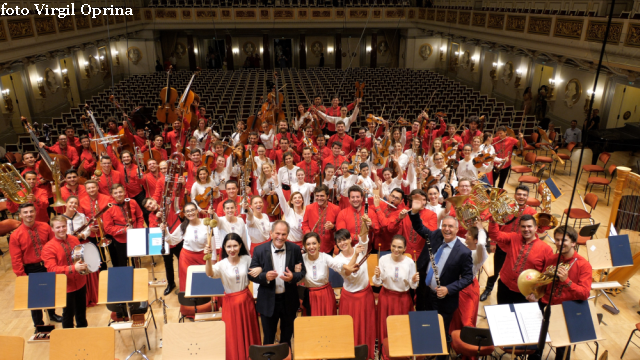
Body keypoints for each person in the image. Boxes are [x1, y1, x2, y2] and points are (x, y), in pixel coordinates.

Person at [408, 202, 474, 346]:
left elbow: (469, 277)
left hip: (443, 299)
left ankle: (437, 353)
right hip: (424, 293)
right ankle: (423, 350)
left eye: (450, 226)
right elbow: (419, 227)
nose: (447, 229)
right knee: (422, 324)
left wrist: (448, 289)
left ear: (457, 229)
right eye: (444, 225)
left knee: (439, 333)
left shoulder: (464, 252)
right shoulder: (436, 235)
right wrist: (414, 212)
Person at [530, 226, 592, 360]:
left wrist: (567, 281)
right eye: (557, 240)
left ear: (574, 243)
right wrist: (535, 293)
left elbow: (584, 294)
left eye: (564, 240)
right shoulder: (553, 259)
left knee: (562, 350)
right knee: (536, 343)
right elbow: (544, 283)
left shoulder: (584, 265)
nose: (559, 243)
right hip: (545, 304)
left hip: (564, 311)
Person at [203, 233, 261, 360]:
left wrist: (260, 269)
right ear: (224, 247)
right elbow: (209, 273)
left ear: (240, 245)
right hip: (230, 303)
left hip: (247, 301)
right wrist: (207, 258)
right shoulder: (222, 264)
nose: (232, 249)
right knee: (233, 334)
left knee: (249, 331)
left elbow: (258, 269)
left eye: (235, 245)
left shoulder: (247, 259)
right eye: (229, 246)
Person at [249, 221, 306, 346]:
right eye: (277, 233)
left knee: (287, 339)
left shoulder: (295, 249)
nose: (280, 237)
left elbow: (302, 272)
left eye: (283, 234)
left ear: (288, 235)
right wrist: (265, 276)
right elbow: (251, 274)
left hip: (289, 300)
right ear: (271, 233)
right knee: (268, 339)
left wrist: (292, 277)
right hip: (268, 301)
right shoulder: (259, 250)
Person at [481, 185, 537, 301]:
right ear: (515, 195)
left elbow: (537, 230)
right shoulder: (506, 208)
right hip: (502, 246)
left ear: (527, 197)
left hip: (519, 249)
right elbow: (496, 224)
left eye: (524, 195)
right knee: (495, 270)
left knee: (515, 272)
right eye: (519, 194)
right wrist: (492, 243)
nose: (521, 197)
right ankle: (488, 288)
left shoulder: (532, 212)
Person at [9, 203, 62, 326]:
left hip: (48, 265)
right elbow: (16, 259)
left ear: (35, 212)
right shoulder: (15, 235)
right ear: (20, 215)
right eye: (25, 212)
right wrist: (22, 276)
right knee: (35, 299)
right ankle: (38, 324)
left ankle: (52, 314)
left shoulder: (45, 227)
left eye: (31, 211)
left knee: (50, 292)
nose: (29, 214)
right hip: (31, 269)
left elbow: (54, 245)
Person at [330, 227, 376, 359]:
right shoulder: (337, 260)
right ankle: (350, 354)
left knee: (367, 326)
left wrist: (364, 220)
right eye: (339, 241)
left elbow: (364, 234)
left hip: (365, 294)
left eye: (345, 239)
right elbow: (347, 273)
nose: (342, 243)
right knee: (350, 328)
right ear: (336, 244)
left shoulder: (360, 247)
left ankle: (367, 354)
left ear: (350, 239)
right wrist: (355, 255)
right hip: (349, 297)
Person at [487, 214, 553, 304]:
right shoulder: (513, 237)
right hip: (504, 286)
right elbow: (495, 235)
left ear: (536, 228)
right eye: (523, 226)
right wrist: (493, 220)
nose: (526, 229)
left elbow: (547, 275)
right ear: (519, 228)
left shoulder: (546, 249)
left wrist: (538, 294)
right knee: (503, 314)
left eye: (529, 226)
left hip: (526, 292)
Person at [41, 215, 88, 329]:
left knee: (82, 313)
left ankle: (84, 336)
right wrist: (72, 268)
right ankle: (68, 340)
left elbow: (80, 257)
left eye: (63, 226)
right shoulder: (48, 247)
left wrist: (90, 264)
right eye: (58, 227)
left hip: (80, 283)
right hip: (66, 286)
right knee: (68, 315)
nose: (61, 229)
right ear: (52, 229)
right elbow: (52, 269)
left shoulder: (74, 239)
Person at [373, 235, 419, 343]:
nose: (396, 250)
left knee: (401, 327)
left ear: (404, 248)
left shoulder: (410, 262)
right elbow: (377, 283)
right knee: (386, 327)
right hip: (386, 297)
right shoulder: (383, 259)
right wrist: (377, 275)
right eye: (393, 246)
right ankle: (385, 352)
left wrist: (413, 280)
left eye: (399, 247)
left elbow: (413, 286)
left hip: (403, 299)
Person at [449, 221, 488, 334]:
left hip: (468, 288)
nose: (465, 235)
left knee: (466, 319)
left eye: (469, 234)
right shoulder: (463, 245)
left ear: (476, 240)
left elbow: (481, 244)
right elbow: (453, 236)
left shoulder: (479, 254)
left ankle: (467, 345)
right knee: (454, 316)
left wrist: (481, 229)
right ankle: (454, 341)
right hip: (456, 284)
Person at [160, 202, 208, 292]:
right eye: (187, 211)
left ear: (197, 211)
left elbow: (212, 241)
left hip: (203, 256)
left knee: (204, 282)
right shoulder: (183, 226)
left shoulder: (206, 223)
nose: (190, 213)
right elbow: (172, 240)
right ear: (185, 214)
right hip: (187, 259)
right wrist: (165, 232)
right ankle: (190, 305)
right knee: (189, 284)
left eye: (193, 210)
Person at [62, 196, 98, 307]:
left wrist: (82, 235)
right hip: (67, 245)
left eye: (75, 203)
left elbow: (87, 229)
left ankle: (90, 297)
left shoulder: (81, 216)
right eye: (71, 203)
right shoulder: (60, 218)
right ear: (66, 204)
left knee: (87, 268)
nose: (73, 205)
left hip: (82, 243)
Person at [143, 197, 182, 295]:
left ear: (155, 200)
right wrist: (156, 218)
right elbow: (152, 229)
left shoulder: (167, 206)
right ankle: (171, 284)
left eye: (151, 203)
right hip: (165, 243)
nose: (151, 206)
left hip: (177, 240)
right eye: (148, 207)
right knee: (168, 265)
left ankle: (184, 283)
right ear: (147, 210)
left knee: (182, 262)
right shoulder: (151, 216)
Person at [102, 184, 144, 267]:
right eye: (116, 193)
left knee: (136, 261)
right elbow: (108, 229)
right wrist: (124, 230)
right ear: (112, 195)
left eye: (120, 192)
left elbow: (140, 217)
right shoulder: (108, 208)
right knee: (122, 262)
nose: (119, 194)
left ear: (124, 192)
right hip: (121, 240)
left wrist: (139, 230)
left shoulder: (132, 202)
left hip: (135, 236)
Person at [392, 189, 438, 259]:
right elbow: (395, 232)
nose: (422, 202)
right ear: (412, 201)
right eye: (418, 200)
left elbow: (432, 234)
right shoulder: (405, 212)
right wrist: (399, 219)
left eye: (424, 199)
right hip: (404, 253)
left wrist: (417, 217)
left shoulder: (432, 214)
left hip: (422, 255)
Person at [300, 232, 338, 316]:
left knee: (327, 323)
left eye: (314, 243)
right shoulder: (301, 258)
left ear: (319, 244)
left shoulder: (325, 257)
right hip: (310, 295)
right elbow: (297, 278)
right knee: (312, 324)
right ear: (305, 246)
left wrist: (349, 267)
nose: (311, 247)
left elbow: (338, 266)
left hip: (325, 294)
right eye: (308, 244)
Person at [301, 185, 340, 255]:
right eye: (317, 196)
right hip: (312, 246)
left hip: (328, 246)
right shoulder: (309, 208)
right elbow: (304, 224)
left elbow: (339, 227)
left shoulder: (336, 209)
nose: (319, 198)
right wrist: (308, 233)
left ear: (327, 196)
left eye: (322, 196)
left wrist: (333, 227)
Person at [273, 173, 306, 244]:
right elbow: (281, 197)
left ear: (302, 200)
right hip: (289, 243)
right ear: (291, 201)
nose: (297, 199)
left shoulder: (306, 212)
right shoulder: (288, 211)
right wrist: (276, 182)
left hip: (303, 244)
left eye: (299, 197)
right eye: (295, 198)